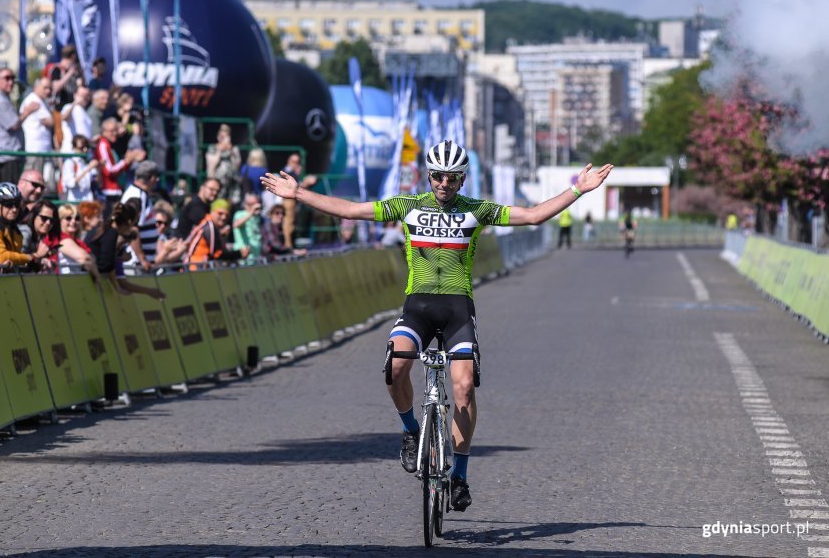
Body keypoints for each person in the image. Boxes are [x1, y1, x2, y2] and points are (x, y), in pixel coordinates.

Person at [261, 140, 613, 512]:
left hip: (458, 309)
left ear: (461, 180)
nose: (444, 182)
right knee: (396, 364)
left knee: (462, 390)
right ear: (428, 176)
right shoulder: (408, 206)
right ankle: (411, 432)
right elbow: (350, 209)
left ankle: (459, 475)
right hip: (418, 307)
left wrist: (577, 189)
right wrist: (298, 193)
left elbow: (534, 215)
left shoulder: (477, 210)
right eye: (438, 176)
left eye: (452, 177)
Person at [87, 200, 165, 300]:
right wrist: (117, 287)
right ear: (129, 222)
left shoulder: (102, 229)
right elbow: (107, 264)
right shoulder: (111, 233)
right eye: (134, 223)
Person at [0, 182, 48, 270]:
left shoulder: (11, 226)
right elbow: (1, 257)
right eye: (8, 204)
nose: (14, 209)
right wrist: (31, 257)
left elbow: (15, 255)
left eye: (17, 204)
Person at [95, 118, 145, 216]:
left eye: (116, 130)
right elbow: (109, 171)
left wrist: (130, 160)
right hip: (108, 193)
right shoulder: (103, 145)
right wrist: (127, 161)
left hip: (115, 191)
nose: (115, 133)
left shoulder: (109, 145)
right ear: (104, 131)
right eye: (111, 131)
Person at [120, 160, 161, 272]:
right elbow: (132, 229)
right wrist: (142, 259)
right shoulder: (137, 196)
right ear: (152, 178)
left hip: (141, 260)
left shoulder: (142, 194)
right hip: (135, 262)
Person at [184, 199, 248, 269]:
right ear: (212, 212)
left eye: (226, 215)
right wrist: (239, 254)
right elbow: (217, 255)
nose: (223, 217)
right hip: (195, 269)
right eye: (220, 213)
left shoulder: (208, 224)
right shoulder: (209, 227)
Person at [0, 68, 25, 184]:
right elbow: (14, 124)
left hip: (7, 155)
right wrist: (28, 112)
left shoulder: (3, 98)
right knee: (8, 195)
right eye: (7, 78)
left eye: (12, 78)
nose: (11, 82)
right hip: (7, 155)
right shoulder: (1, 101)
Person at [280, 152, 318, 248]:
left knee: (291, 223)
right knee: (288, 222)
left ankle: (289, 244)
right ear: (289, 161)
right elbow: (294, 188)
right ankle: (288, 245)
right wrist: (306, 182)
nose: (296, 164)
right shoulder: (287, 172)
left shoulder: (291, 172)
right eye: (293, 162)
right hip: (288, 201)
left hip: (292, 201)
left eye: (297, 162)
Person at [19, 77, 55, 174]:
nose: (48, 91)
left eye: (50, 88)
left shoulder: (41, 101)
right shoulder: (33, 100)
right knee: (33, 180)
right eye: (45, 88)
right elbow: (51, 121)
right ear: (36, 87)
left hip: (42, 149)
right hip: (35, 149)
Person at [205, 124, 242, 205]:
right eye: (222, 136)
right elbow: (211, 164)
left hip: (231, 184)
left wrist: (231, 151)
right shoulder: (213, 148)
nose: (223, 139)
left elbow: (237, 166)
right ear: (218, 136)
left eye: (226, 137)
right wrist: (220, 150)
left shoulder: (234, 149)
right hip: (216, 183)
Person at [57, 203, 97, 275]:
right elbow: (85, 259)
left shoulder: (78, 242)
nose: (73, 221)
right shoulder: (60, 239)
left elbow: (92, 259)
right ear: (60, 221)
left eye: (77, 218)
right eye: (68, 218)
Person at [59, 135, 98, 202]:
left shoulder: (86, 162)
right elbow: (71, 183)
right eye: (81, 147)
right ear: (74, 148)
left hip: (87, 201)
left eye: (87, 147)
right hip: (74, 201)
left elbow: (97, 182)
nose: (85, 150)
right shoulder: (70, 162)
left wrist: (99, 167)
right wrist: (88, 169)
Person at [151, 201, 188, 266]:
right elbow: (161, 260)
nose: (162, 226)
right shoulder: (149, 236)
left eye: (165, 223)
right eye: (159, 222)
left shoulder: (165, 236)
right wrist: (179, 251)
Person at [60, 86, 93, 153]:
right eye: (82, 95)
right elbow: (63, 117)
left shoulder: (85, 112)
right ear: (75, 95)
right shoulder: (68, 107)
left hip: (84, 151)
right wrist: (75, 103)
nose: (84, 98)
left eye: (86, 95)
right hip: (71, 151)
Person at [232, 192, 263, 262]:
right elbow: (236, 224)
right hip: (244, 258)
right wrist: (251, 213)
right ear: (245, 204)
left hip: (256, 256)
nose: (254, 207)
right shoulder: (240, 214)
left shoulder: (257, 217)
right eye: (251, 204)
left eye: (256, 204)